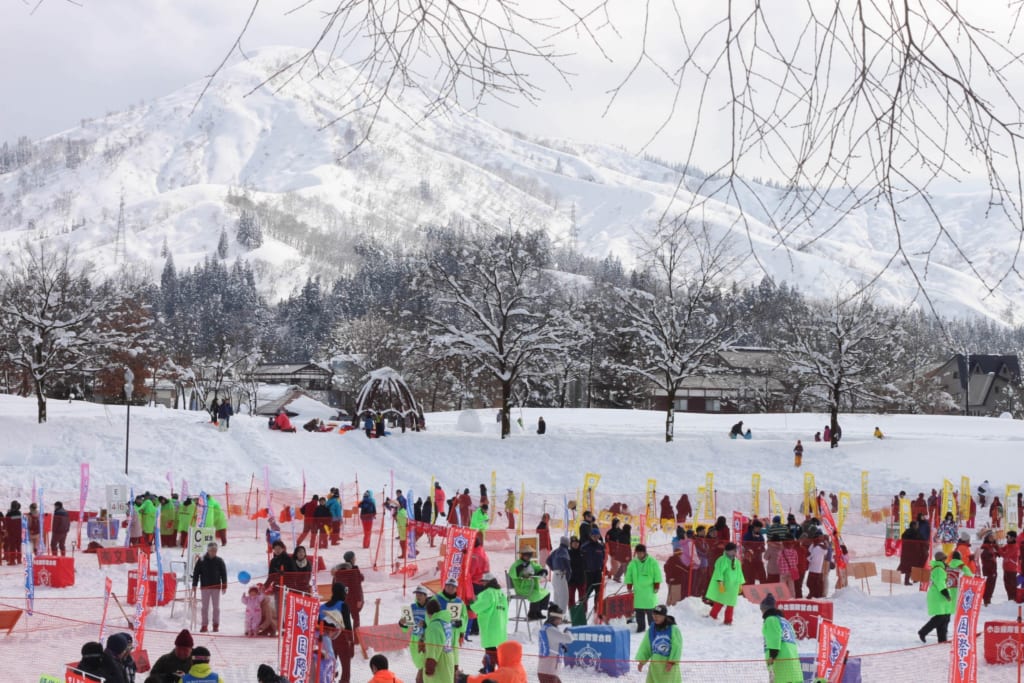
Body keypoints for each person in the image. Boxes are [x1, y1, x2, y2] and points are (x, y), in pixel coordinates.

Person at [469, 573, 509, 673]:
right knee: (498, 647)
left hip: (490, 624)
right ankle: (491, 665)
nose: (482, 584)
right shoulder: (501, 594)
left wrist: (471, 605)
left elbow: (481, 605)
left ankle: (491, 667)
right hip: (500, 624)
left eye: (484, 582)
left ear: (488, 582)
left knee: (490, 647)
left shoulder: (487, 593)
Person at [634, 604, 682, 683]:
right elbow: (646, 645)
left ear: (664, 616)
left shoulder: (673, 629)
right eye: (654, 615)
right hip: (655, 666)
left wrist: (672, 662)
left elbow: (677, 647)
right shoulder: (652, 629)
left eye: (658, 615)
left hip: (668, 666)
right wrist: (642, 661)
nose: (655, 617)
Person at [760, 594, 801, 683]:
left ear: (765, 609)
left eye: (761, 610)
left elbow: (775, 637)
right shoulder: (784, 621)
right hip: (792, 659)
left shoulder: (770, 619)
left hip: (781, 659)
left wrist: (772, 655)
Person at [625, 543, 663, 633]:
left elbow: (657, 574)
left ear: (645, 553)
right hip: (638, 590)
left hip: (649, 590)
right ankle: (641, 628)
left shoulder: (652, 562)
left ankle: (653, 628)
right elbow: (629, 575)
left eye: (641, 553)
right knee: (639, 610)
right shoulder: (633, 563)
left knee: (651, 610)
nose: (639, 555)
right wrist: (629, 585)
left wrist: (656, 584)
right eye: (638, 553)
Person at [320, 583, 355, 683]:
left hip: (326, 639)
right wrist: (351, 642)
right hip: (342, 638)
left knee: (329, 664)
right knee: (346, 668)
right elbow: (348, 626)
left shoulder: (321, 608)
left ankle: (330, 680)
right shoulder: (343, 605)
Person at [192, 541, 227, 633]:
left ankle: (216, 624)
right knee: (205, 607)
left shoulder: (220, 561)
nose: (213, 552)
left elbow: (224, 574)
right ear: (208, 550)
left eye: (215, 551)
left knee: (216, 607)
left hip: (216, 587)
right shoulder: (201, 560)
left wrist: (224, 585)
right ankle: (204, 625)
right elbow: (196, 573)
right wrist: (194, 584)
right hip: (205, 587)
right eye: (212, 550)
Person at [705, 542, 744, 625]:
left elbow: (740, 573)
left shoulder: (737, 561)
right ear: (727, 551)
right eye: (733, 550)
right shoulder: (721, 560)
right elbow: (718, 573)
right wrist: (720, 583)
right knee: (720, 601)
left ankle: (728, 620)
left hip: (734, 586)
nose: (734, 552)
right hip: (725, 585)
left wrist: (740, 584)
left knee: (731, 603)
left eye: (735, 550)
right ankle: (712, 615)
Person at [919, 551, 954, 643]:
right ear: (941, 559)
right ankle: (923, 632)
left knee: (945, 617)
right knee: (941, 617)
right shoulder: (939, 569)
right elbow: (940, 583)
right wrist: (946, 594)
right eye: (944, 559)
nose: (946, 561)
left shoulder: (940, 568)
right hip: (938, 595)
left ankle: (942, 639)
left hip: (939, 596)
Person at [421, 598, 456, 683]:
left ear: (428, 613)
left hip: (440, 665)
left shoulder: (434, 626)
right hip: (448, 659)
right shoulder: (445, 622)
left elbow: (434, 648)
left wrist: (430, 667)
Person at [511, 547, 551, 619]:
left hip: (532, 587)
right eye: (526, 555)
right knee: (536, 594)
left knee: (546, 593)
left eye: (529, 555)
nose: (528, 557)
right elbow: (512, 573)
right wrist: (521, 567)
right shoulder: (517, 564)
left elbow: (538, 568)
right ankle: (532, 613)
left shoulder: (531, 563)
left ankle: (538, 611)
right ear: (522, 555)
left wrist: (543, 571)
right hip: (522, 588)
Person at [538, 604, 573, 683]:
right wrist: (568, 632)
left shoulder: (547, 628)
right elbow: (569, 639)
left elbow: (552, 643)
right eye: (560, 618)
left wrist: (561, 646)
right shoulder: (551, 630)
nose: (561, 620)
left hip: (548, 671)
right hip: (548, 671)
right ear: (555, 618)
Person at [333, 551, 366, 630]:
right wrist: (358, 599)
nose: (355, 559)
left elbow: (335, 584)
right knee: (356, 619)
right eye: (354, 557)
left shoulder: (338, 571)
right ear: (351, 559)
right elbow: (356, 585)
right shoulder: (353, 569)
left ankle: (346, 639)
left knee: (344, 620)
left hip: (343, 599)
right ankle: (356, 639)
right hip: (353, 599)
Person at [546, 535, 571, 612]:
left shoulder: (556, 551)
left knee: (556, 596)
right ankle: (561, 616)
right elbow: (568, 567)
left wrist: (553, 568)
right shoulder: (565, 552)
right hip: (561, 575)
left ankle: (555, 615)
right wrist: (567, 578)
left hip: (555, 576)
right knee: (563, 597)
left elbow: (548, 560)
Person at [1002, 531, 1020, 601]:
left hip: (1011, 570)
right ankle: (1010, 599)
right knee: (1007, 586)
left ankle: (1013, 599)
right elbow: (1001, 550)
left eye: (1008, 537)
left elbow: (1004, 555)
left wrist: (996, 547)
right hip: (1006, 569)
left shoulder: (1015, 547)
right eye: (1006, 537)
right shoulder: (1008, 545)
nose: (1006, 538)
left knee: (1011, 586)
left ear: (1013, 538)